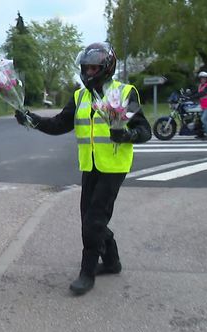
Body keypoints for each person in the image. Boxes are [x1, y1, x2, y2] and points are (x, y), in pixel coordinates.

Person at [15, 42, 152, 295]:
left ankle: (86, 273)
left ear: (106, 67)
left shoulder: (125, 94)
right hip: (90, 166)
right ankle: (112, 262)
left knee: (93, 222)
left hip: (114, 167)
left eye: (93, 68)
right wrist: (32, 121)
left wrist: (126, 135)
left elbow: (145, 131)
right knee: (90, 220)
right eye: (85, 68)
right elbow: (59, 124)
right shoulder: (80, 96)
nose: (89, 72)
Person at [189, 71, 207, 140]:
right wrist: (188, 95)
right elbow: (196, 92)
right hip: (203, 106)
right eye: (201, 78)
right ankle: (200, 134)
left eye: (204, 78)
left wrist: (193, 96)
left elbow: (203, 93)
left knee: (203, 119)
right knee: (198, 119)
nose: (202, 80)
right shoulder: (201, 85)